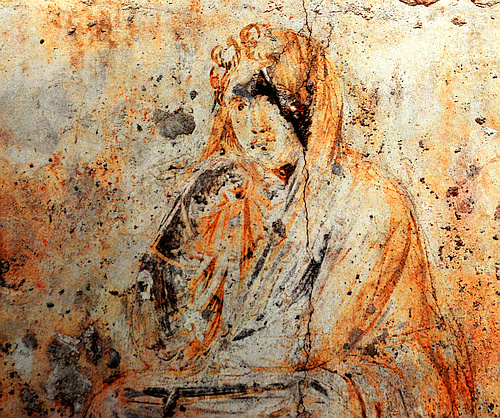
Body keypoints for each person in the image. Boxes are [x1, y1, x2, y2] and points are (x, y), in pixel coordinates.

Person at [86, 25, 474, 417]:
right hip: (238, 392)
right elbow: (160, 346)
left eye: (268, 102)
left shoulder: (365, 199)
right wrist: (187, 227)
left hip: (324, 392)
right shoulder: (224, 192)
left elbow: (302, 347)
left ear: (303, 105)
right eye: (239, 106)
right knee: (116, 404)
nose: (254, 124)